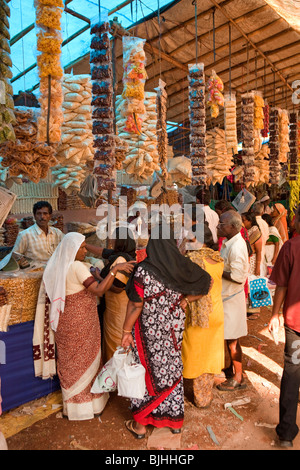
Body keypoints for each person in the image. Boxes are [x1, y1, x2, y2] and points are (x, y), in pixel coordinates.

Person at [121, 225, 212, 438]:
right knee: (171, 368)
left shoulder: (144, 270)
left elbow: (136, 305)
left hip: (148, 333)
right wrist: (186, 300)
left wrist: (125, 330)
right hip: (173, 330)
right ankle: (174, 422)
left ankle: (141, 425)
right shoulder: (181, 265)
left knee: (146, 370)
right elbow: (207, 282)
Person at [42, 232, 135, 421]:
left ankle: (75, 407)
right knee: (85, 358)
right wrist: (115, 269)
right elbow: (100, 290)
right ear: (73, 250)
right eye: (82, 247)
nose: (85, 250)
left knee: (72, 360)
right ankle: (90, 403)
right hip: (81, 321)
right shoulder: (77, 267)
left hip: (66, 322)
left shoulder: (60, 266)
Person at [182, 225, 224, 408]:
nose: (188, 243)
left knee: (193, 353)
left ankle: (189, 392)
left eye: (190, 240)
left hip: (197, 316)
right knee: (208, 355)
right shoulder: (218, 259)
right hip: (216, 313)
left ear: (200, 241)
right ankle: (203, 397)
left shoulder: (191, 260)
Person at [268, 205, 300, 448]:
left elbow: (282, 285)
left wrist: (274, 314)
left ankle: (286, 434)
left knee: (292, 372)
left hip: (295, 322)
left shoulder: (291, 246)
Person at [216, 211, 249, 391]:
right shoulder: (230, 243)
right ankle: (232, 370)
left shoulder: (237, 246)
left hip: (232, 298)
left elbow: (237, 277)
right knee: (230, 338)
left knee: (233, 340)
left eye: (222, 224)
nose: (218, 226)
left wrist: (217, 269)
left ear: (234, 227)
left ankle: (238, 378)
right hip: (227, 297)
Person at [100, 227, 137, 362]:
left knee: (115, 342)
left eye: (114, 237)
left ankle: (115, 377)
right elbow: (103, 252)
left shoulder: (120, 259)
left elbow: (117, 287)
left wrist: (99, 278)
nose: (112, 240)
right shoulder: (125, 255)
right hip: (117, 307)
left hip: (118, 308)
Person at [241, 212, 262, 276]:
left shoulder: (255, 231)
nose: (241, 222)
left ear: (250, 221)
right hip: (244, 259)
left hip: (251, 261)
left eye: (243, 220)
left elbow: (258, 251)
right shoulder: (245, 230)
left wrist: (257, 267)